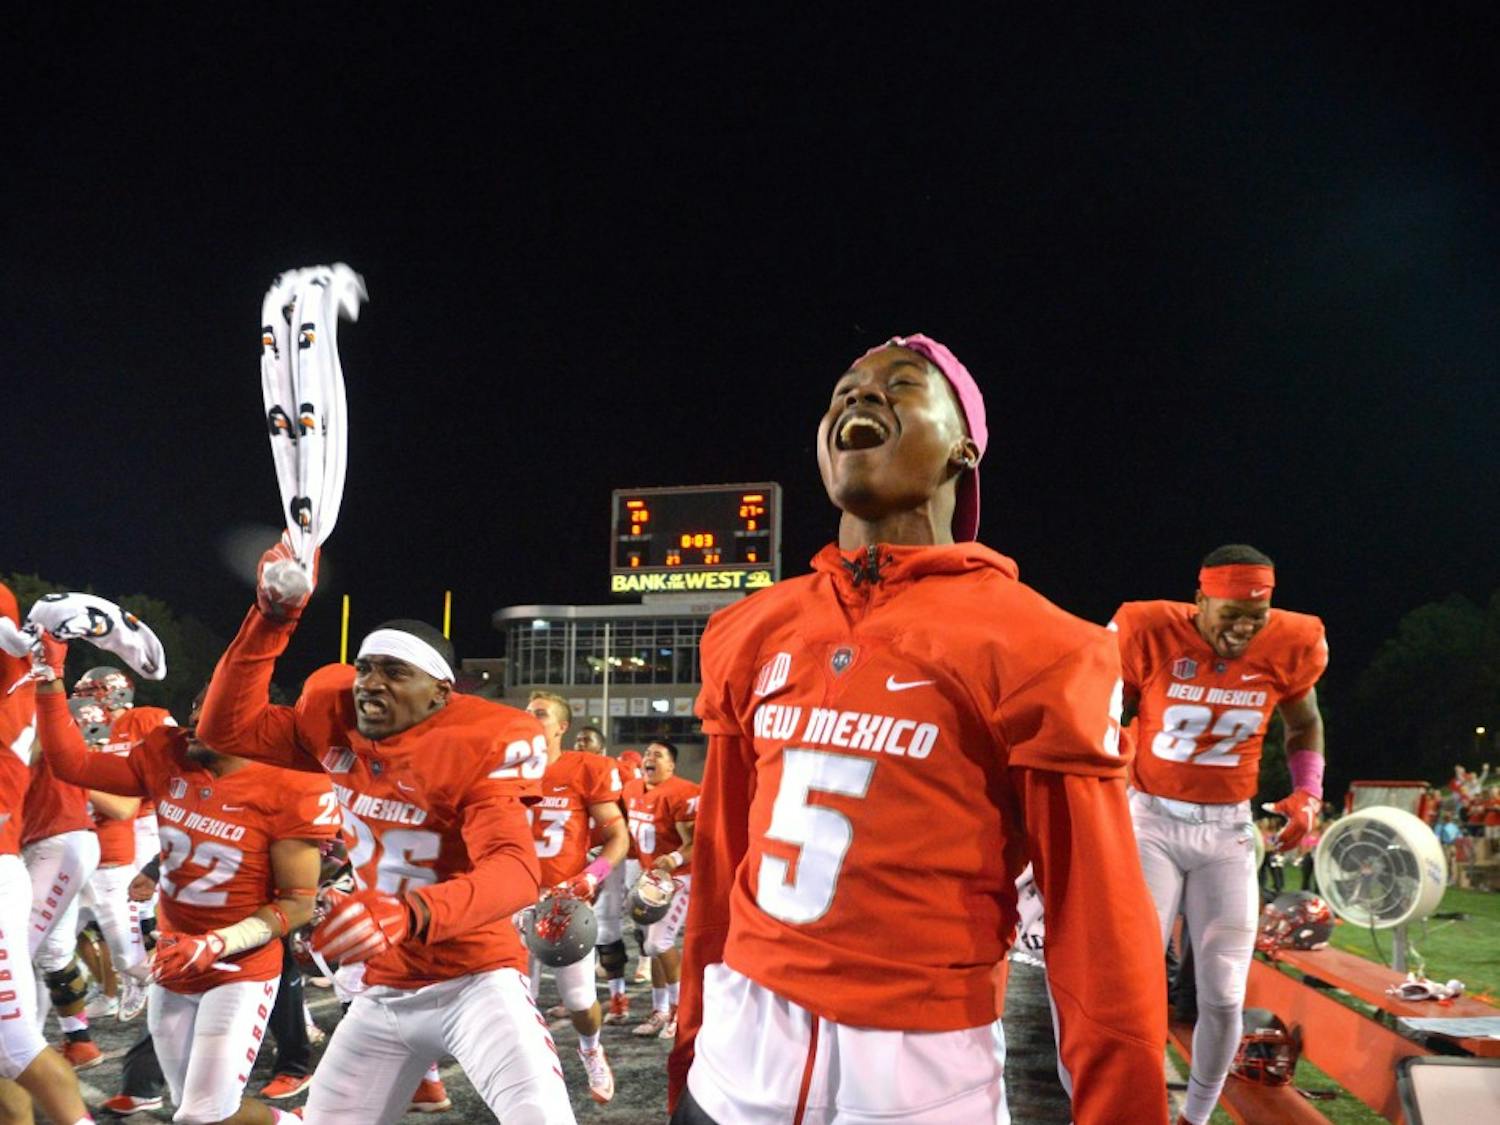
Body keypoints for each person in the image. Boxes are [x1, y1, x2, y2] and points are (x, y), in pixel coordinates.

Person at [669, 334, 1168, 1125]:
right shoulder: (750, 628)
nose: (859, 398)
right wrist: (690, 1045)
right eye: (843, 391)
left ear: (965, 446)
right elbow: (720, 870)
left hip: (915, 1077)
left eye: (900, 385)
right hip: (739, 1054)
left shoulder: (1042, 644)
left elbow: (1098, 930)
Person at [196, 543, 575, 1125]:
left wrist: (410, 913)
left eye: (395, 672)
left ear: (441, 693)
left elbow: (517, 872)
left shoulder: (476, 744)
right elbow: (224, 726)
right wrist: (271, 619)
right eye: (366, 667)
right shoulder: (338, 724)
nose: (370, 683)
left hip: (475, 980)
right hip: (383, 990)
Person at [37, 643, 335, 1125]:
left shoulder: (288, 783)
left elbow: (297, 905)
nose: (195, 720)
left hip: (240, 968)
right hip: (176, 963)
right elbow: (71, 765)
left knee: (200, 1115)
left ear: (246, 724)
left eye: (212, 711)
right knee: (193, 1109)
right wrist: (49, 677)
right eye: (197, 707)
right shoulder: (168, 754)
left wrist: (218, 943)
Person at [1110, 544, 1328, 1125]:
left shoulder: (1291, 641)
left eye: (1254, 619)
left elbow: (1304, 723)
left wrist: (1308, 792)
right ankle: (1126, 1108)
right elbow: (1107, 712)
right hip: (1149, 823)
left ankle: (1196, 1118)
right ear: (1199, 600)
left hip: (1229, 831)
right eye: (1229, 615)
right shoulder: (1149, 630)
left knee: (1225, 991)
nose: (1242, 629)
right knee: (1134, 981)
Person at [0, 582, 96, 1125]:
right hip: (25, 854)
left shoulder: (12, 689)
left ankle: (80, 1032)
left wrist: (40, 645)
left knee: (15, 1046)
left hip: (24, 860)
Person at [523, 691, 628, 1104]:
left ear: (561, 727)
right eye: (526, 713)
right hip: (510, 901)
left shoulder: (586, 768)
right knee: (516, 1000)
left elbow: (617, 837)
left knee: (580, 999)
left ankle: (591, 1051)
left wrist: (592, 875)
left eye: (540, 714)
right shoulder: (503, 770)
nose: (530, 719)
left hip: (564, 902)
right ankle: (531, 1073)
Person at [624, 740, 698, 1041]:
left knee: (659, 942)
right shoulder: (631, 790)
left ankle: (682, 1010)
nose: (649, 758)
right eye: (647, 753)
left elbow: (695, 843)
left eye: (659, 755)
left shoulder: (683, 793)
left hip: (680, 877)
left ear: (672, 765)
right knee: (650, 943)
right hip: (650, 878)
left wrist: (674, 859)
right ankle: (660, 1009)